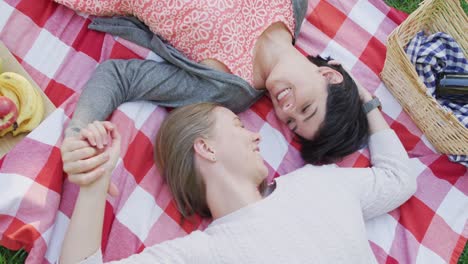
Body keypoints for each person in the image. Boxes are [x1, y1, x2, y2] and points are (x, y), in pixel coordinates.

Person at [59, 99, 416, 263]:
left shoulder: (321, 181)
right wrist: (95, 181)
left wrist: (368, 105)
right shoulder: (200, 254)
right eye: (238, 125)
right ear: (206, 148)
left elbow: (399, 179)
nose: (256, 136)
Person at [56, 0, 370, 165]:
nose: (287, 108)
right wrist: (370, 103)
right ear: (328, 75)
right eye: (307, 108)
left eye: (290, 120)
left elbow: (120, 77)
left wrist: (78, 133)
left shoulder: (226, 87)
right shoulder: (292, 6)